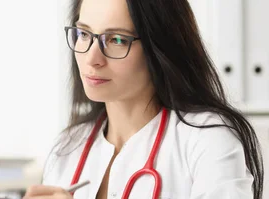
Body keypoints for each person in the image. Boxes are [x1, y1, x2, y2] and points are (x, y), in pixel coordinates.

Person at [23, 0, 263, 198]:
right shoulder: (67, 148)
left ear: (159, 47)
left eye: (117, 39)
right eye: (84, 34)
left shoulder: (207, 140)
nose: (92, 58)